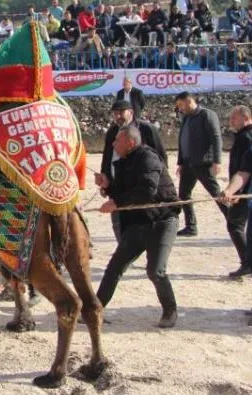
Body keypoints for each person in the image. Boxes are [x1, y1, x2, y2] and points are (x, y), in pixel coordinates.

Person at [96, 126, 180, 328]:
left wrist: (116, 203)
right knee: (114, 268)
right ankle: (95, 309)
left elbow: (146, 192)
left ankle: (170, 311)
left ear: (130, 142)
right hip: (137, 223)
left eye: (117, 140)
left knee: (155, 270)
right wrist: (108, 186)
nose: (113, 144)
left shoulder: (148, 158)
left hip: (162, 222)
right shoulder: (124, 162)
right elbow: (124, 191)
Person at [98, 100, 166, 240]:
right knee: (119, 223)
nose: (117, 117)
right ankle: (124, 252)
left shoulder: (147, 129)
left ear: (131, 112)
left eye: (121, 112)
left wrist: (159, 182)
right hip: (117, 184)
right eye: (114, 114)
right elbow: (107, 156)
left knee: (145, 223)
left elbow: (160, 157)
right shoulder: (112, 131)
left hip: (141, 185)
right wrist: (104, 178)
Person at [175, 92, 229, 238]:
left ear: (188, 101)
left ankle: (234, 221)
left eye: (180, 105)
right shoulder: (186, 118)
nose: (179, 109)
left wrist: (217, 161)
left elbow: (216, 137)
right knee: (184, 195)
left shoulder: (207, 115)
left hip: (203, 163)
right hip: (188, 164)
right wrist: (180, 162)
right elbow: (182, 141)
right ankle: (191, 227)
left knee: (216, 193)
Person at [220, 106, 252, 278]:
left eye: (234, 118)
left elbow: (244, 170)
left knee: (235, 225)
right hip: (242, 191)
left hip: (245, 193)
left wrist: (238, 192)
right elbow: (243, 171)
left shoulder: (247, 137)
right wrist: (231, 190)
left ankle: (247, 263)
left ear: (245, 117)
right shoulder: (243, 137)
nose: (231, 121)